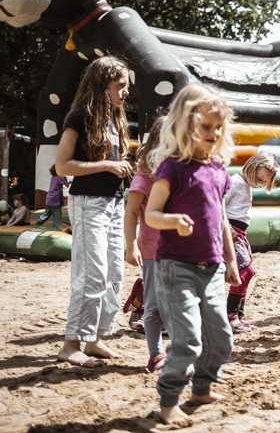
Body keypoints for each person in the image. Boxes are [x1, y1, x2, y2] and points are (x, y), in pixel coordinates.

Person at [144, 83, 242, 425]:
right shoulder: (173, 167)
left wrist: (231, 260)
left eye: (219, 127)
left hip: (213, 267)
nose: (214, 133)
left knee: (221, 337)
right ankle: (169, 399)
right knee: (187, 339)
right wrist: (171, 220)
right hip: (176, 268)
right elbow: (151, 214)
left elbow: (223, 220)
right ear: (186, 125)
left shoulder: (218, 170)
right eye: (206, 127)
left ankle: (202, 388)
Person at [54, 56, 132, 368]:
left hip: (114, 203)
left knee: (114, 272)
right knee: (92, 274)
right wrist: (108, 165)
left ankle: (95, 338)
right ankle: (71, 343)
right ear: (102, 86)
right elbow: (63, 166)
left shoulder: (115, 120)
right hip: (88, 203)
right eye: (120, 85)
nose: (125, 92)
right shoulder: (79, 118)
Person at [123, 115, 167, 371]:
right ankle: (156, 354)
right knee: (154, 305)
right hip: (153, 250)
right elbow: (131, 212)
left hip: (180, 250)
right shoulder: (145, 175)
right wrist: (131, 246)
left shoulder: (181, 170)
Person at [225, 151, 278, 333]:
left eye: (263, 181)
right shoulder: (235, 182)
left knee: (248, 272)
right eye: (259, 178)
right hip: (230, 231)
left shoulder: (246, 185)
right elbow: (217, 205)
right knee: (245, 271)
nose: (260, 183)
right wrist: (226, 228)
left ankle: (238, 314)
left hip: (240, 232)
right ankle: (230, 315)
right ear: (253, 166)